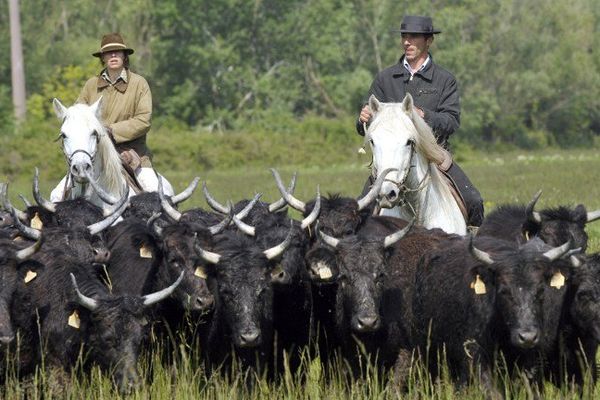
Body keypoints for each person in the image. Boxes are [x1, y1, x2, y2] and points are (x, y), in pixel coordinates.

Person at [356, 15, 484, 227]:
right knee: (359, 213)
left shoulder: (444, 79)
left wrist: (423, 115)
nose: (407, 42)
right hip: (391, 159)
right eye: (404, 37)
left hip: (435, 156)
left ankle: (472, 243)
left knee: (475, 201)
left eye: (414, 37)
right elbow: (364, 128)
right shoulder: (385, 79)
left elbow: (451, 121)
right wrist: (363, 120)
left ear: (429, 40)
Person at [50, 32, 173, 201]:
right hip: (95, 157)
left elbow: (143, 120)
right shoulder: (91, 85)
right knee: (56, 197)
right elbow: (76, 118)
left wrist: (111, 130)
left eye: (117, 51)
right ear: (103, 58)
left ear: (124, 55)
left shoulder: (139, 83)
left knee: (158, 197)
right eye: (108, 52)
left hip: (132, 155)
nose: (113, 55)